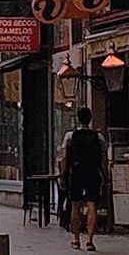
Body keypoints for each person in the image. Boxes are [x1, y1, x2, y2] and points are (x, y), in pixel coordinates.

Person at [61, 107, 106, 251]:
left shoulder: (70, 136)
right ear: (90, 119)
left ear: (78, 119)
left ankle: (75, 238)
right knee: (92, 205)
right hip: (92, 173)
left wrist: (63, 175)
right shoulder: (98, 137)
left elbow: (64, 158)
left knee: (75, 205)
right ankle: (90, 240)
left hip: (77, 173)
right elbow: (103, 155)